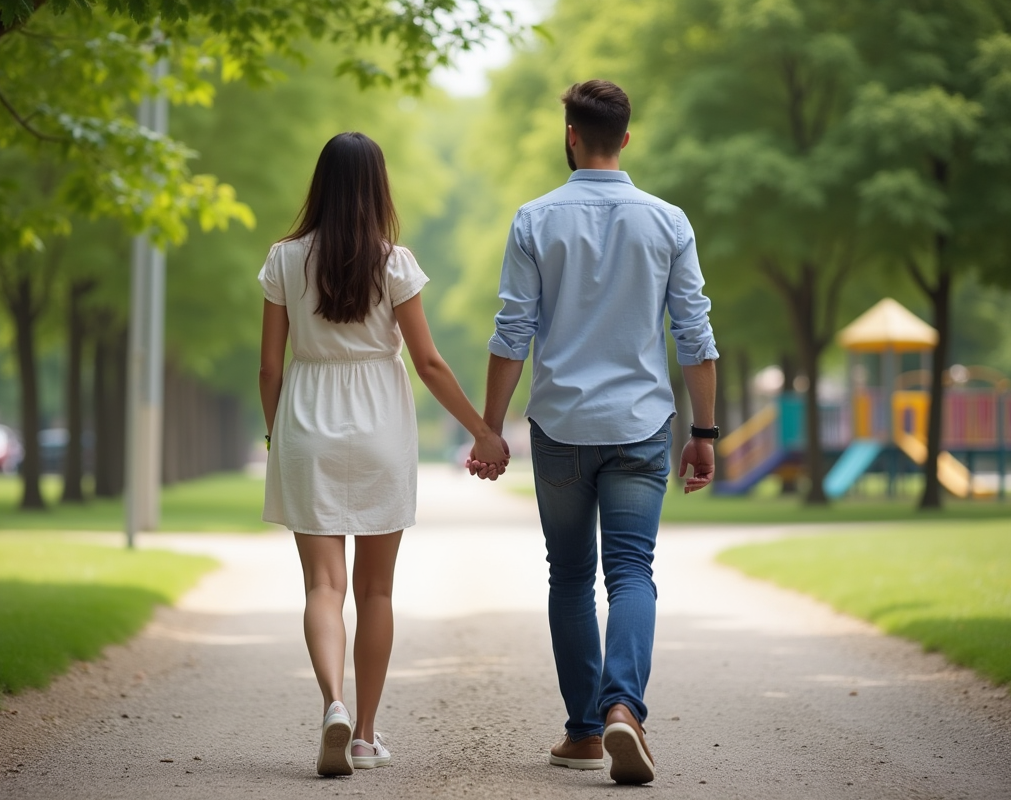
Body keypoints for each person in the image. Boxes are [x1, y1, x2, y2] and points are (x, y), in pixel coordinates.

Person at [467, 80, 719, 785]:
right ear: (626, 139)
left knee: (572, 575)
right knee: (632, 571)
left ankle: (584, 732)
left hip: (563, 427)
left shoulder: (534, 220)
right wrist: (705, 431)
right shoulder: (669, 221)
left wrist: (491, 428)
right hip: (643, 425)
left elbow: (511, 332)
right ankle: (623, 712)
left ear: (571, 135)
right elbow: (695, 337)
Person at [259, 132, 509, 777]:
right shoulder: (394, 262)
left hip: (306, 419)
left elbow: (268, 367)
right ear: (378, 187)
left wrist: (276, 434)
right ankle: (366, 735)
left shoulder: (284, 259)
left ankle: (333, 706)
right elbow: (427, 362)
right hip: (379, 425)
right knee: (375, 590)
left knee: (322, 584)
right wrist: (483, 430)